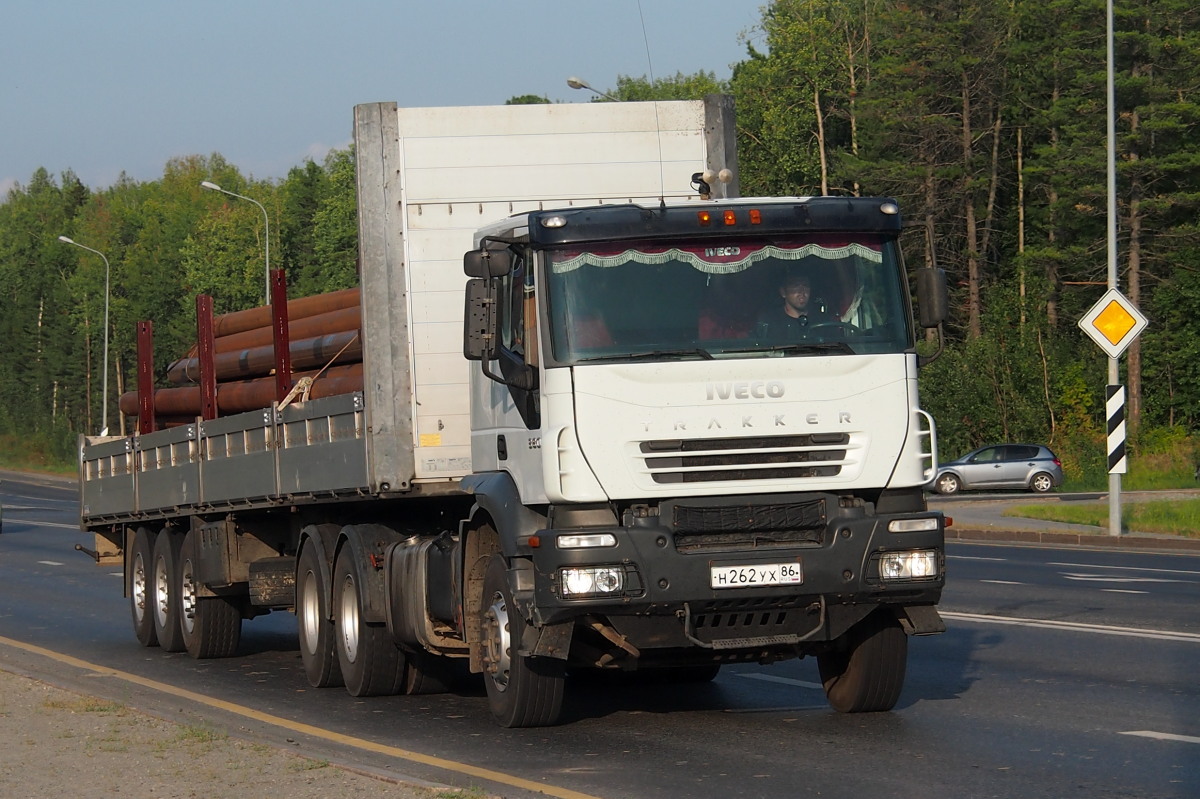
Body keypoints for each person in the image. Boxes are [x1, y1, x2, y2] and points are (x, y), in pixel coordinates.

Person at [756, 271, 832, 338]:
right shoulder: (768, 322)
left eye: (805, 286)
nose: (801, 292)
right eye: (796, 286)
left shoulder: (824, 321)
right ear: (783, 292)